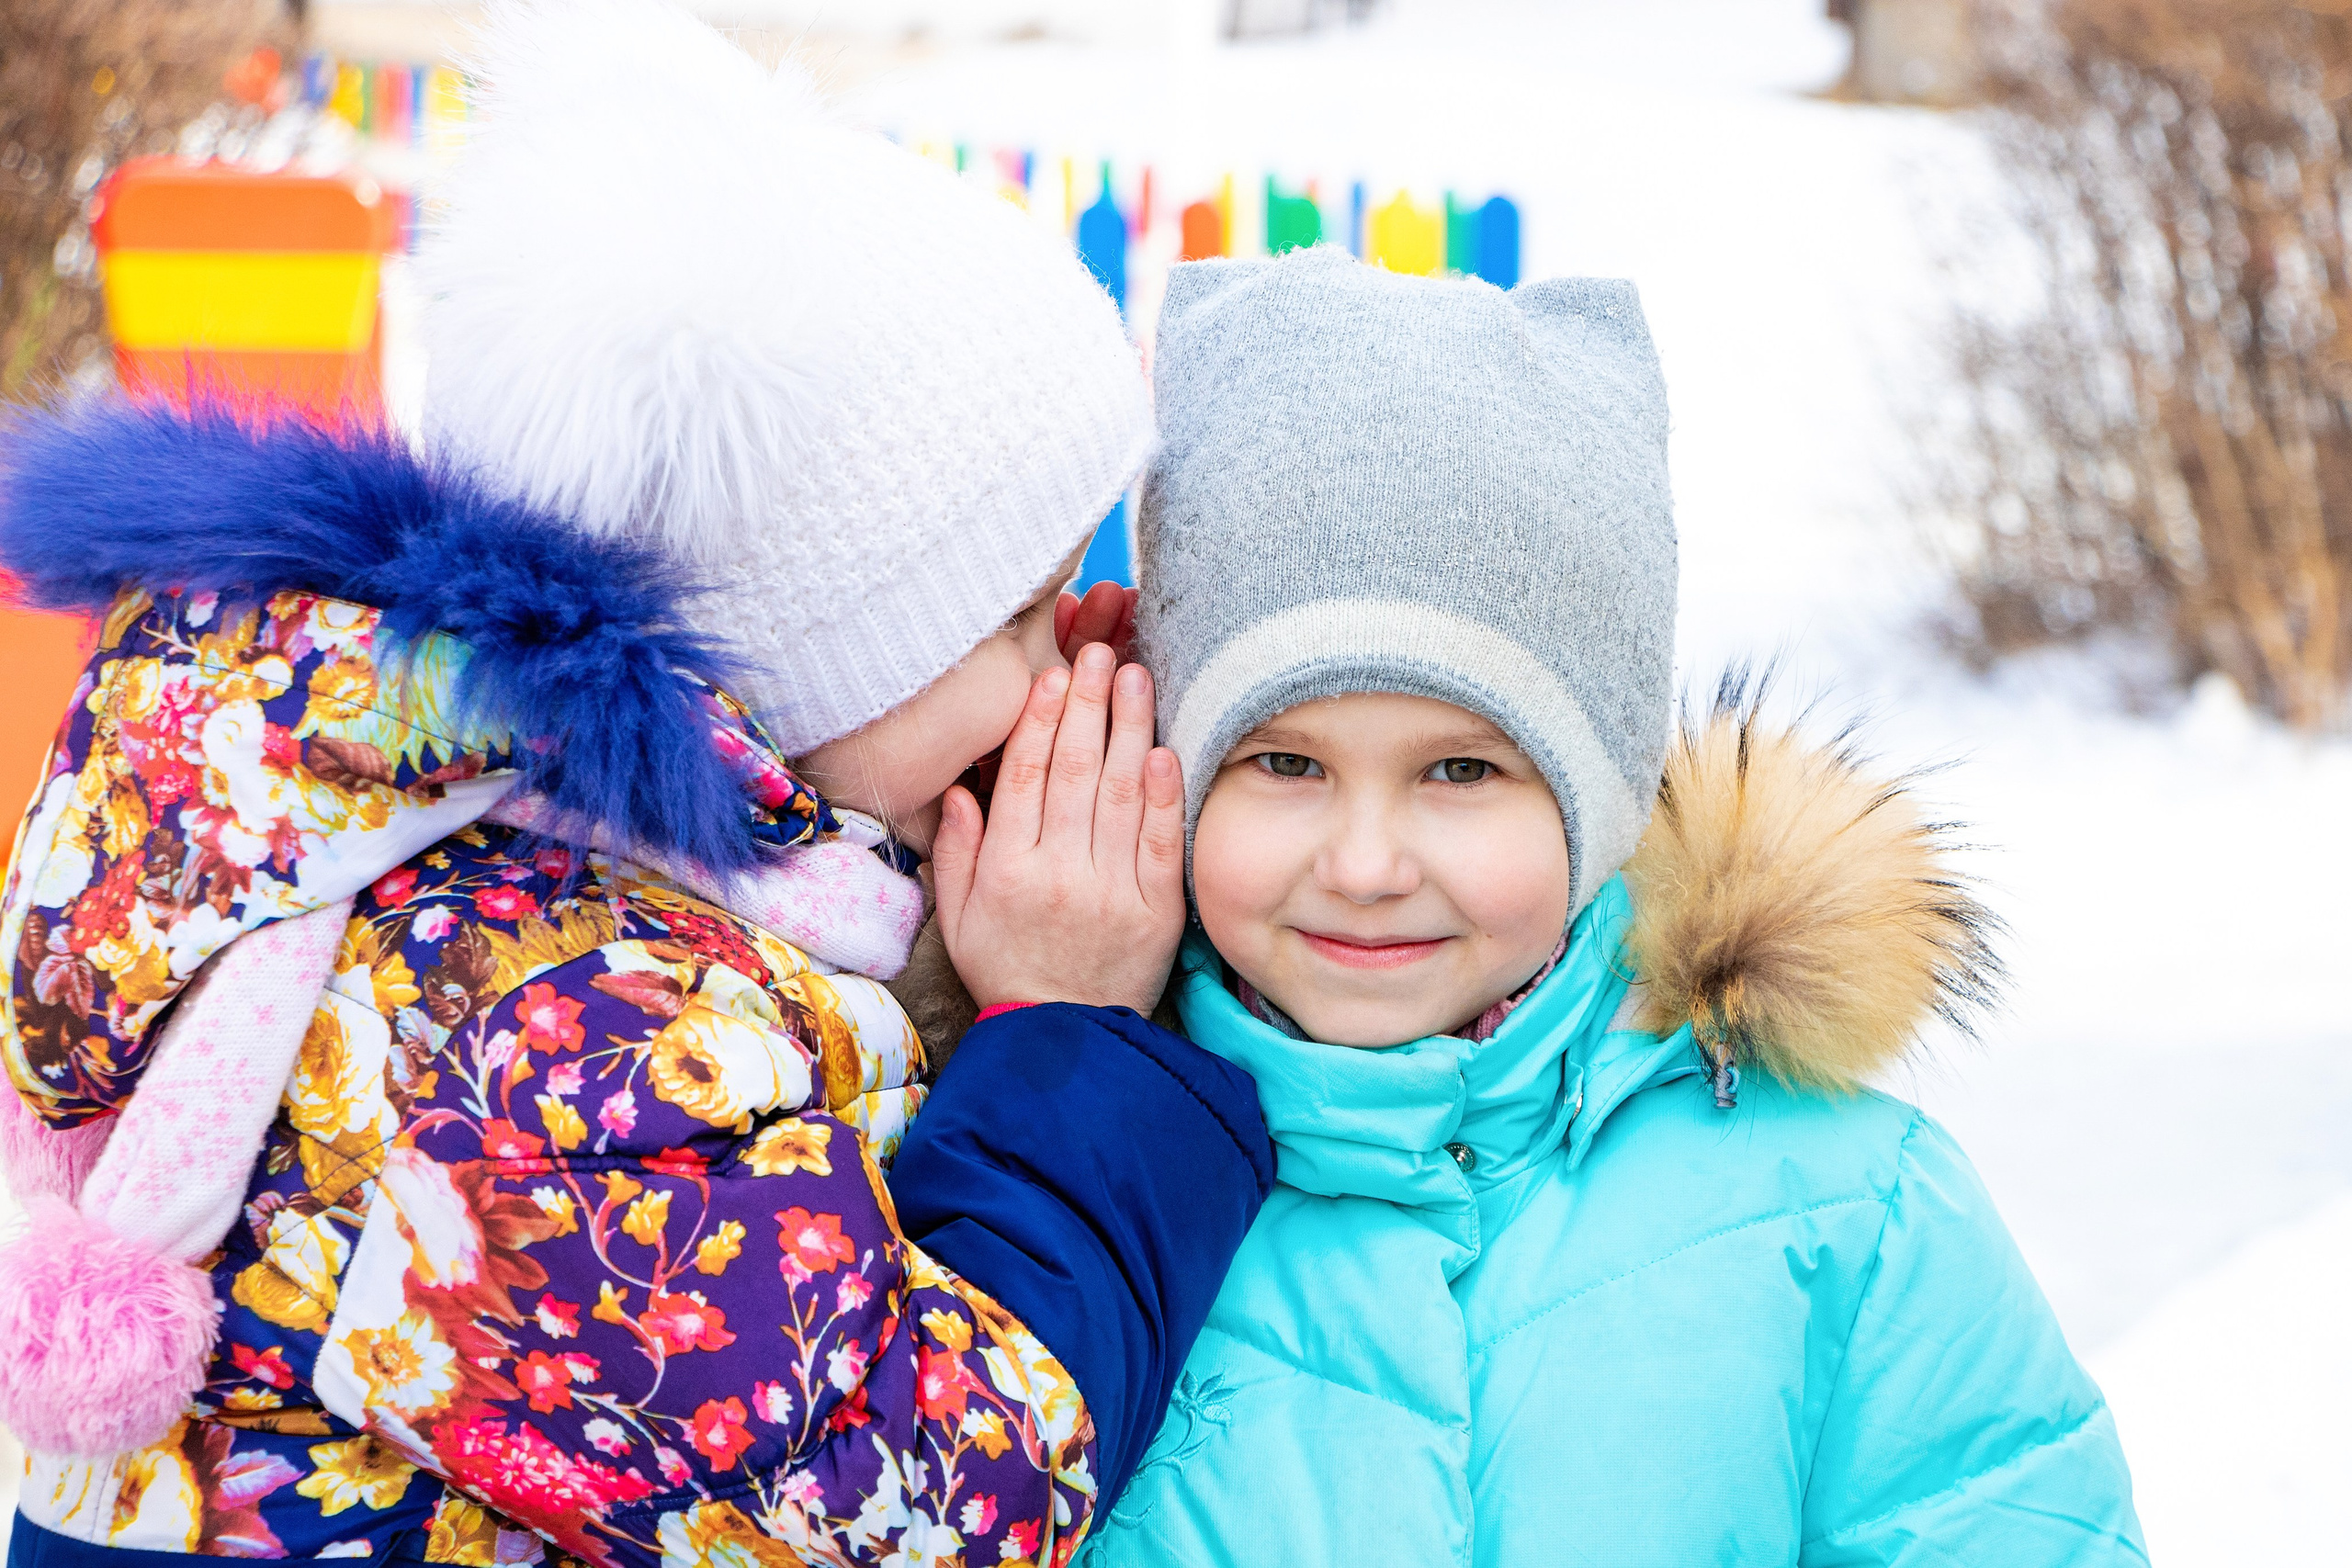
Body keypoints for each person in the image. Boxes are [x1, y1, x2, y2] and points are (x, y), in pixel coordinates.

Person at [0, 6, 1272, 1565]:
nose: (1076, 650)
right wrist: (1065, 1037)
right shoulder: (552, 1033)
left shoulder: (458, 862)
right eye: (1018, 612)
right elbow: (934, 1512)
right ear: (807, 656)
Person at [1071, 248, 2146, 1565]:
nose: (1362, 863)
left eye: (1461, 771)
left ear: (1600, 799)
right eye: (1283, 763)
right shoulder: (1060, 1186)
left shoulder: (1844, 1216)